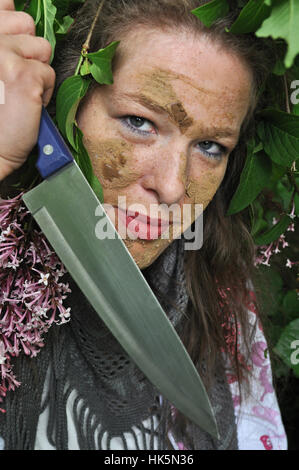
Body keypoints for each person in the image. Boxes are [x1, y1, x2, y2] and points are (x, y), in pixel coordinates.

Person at [0, 0, 287, 450]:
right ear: (60, 105)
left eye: (211, 147)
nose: (173, 187)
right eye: (140, 122)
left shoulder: (227, 310)